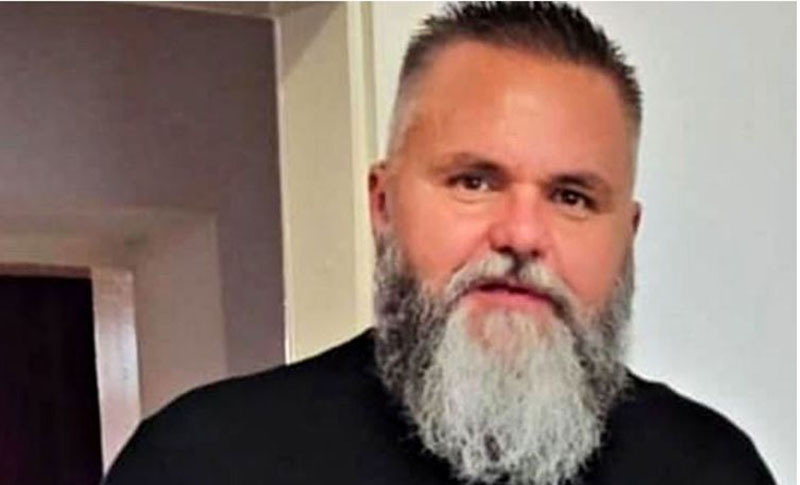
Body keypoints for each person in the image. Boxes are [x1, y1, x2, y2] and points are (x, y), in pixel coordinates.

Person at [103, 3, 776, 484]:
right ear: (383, 204)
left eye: (572, 197)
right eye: (474, 181)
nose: (521, 234)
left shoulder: (713, 468)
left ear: (626, 237)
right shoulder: (203, 460)